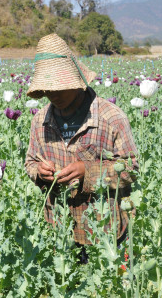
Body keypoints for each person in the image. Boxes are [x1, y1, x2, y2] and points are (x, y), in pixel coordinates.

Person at [24, 33, 138, 263]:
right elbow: (30, 162)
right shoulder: (39, 121)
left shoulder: (111, 119)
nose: (52, 94)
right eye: (47, 88)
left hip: (105, 233)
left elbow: (130, 171)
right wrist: (39, 171)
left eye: (58, 87)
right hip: (59, 231)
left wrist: (88, 171)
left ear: (77, 81)